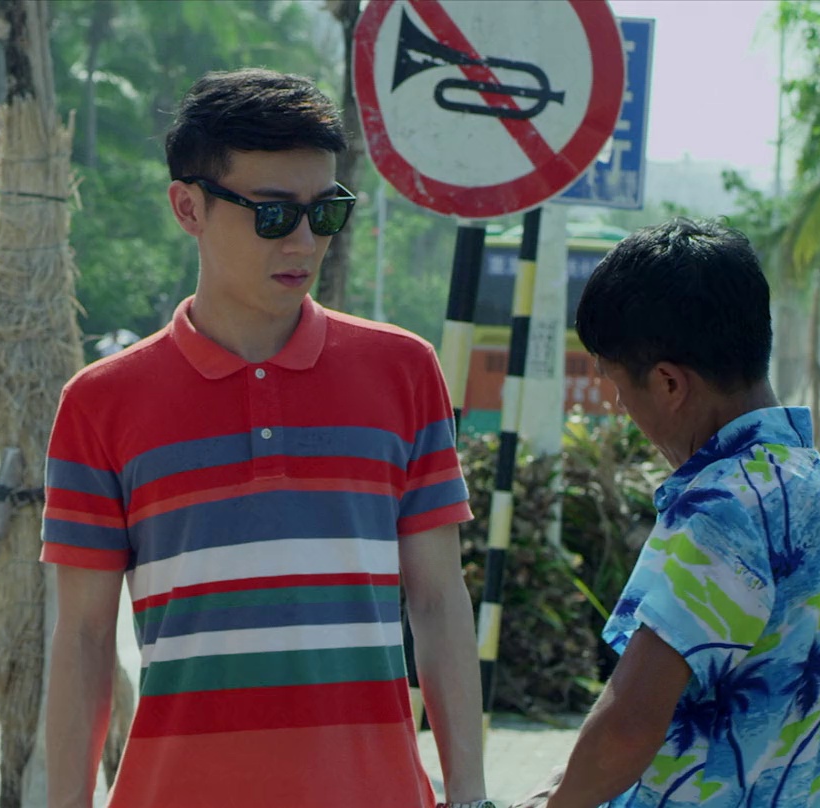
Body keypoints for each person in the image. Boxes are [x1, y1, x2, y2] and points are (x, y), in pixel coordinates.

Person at [40, 68, 493, 808]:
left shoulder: (404, 372)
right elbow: (85, 639)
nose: (306, 241)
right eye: (275, 214)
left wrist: (470, 796)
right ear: (188, 207)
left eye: (326, 212)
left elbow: (439, 602)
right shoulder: (100, 403)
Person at [540, 219, 820, 807]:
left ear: (669, 383)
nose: (623, 411)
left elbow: (628, 728)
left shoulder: (722, 507)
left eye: (620, 390)